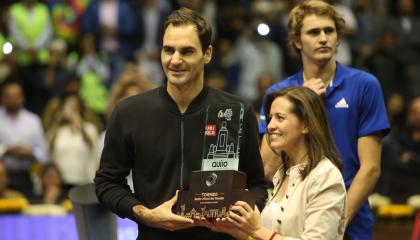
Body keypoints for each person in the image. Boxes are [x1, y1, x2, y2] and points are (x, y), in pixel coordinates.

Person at [94, 7, 267, 240]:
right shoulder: (129, 112)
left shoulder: (237, 111)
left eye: (186, 51)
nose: (175, 60)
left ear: (207, 54)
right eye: (168, 50)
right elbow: (107, 182)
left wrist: (244, 211)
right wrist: (145, 214)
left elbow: (257, 185)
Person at [258, 1, 390, 239]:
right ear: (297, 41)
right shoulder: (279, 93)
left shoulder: (365, 85)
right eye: (313, 32)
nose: (323, 38)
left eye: (329, 31)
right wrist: (302, 101)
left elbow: (370, 168)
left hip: (352, 222)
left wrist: (335, 222)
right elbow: (267, 168)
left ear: (339, 38)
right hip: (290, 222)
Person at [210, 86, 346, 239]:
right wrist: (240, 231)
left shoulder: (326, 176)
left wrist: (256, 230)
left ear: (306, 125)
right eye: (270, 118)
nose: (269, 126)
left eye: (280, 118)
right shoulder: (283, 173)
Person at [0, 81, 47, 198]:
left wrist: (30, 153)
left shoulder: (33, 121)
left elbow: (43, 153)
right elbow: (5, 150)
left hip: (27, 174)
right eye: (9, 96)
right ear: (2, 98)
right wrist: (6, 151)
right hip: (2, 176)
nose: (13, 99)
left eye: (16, 96)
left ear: (22, 98)